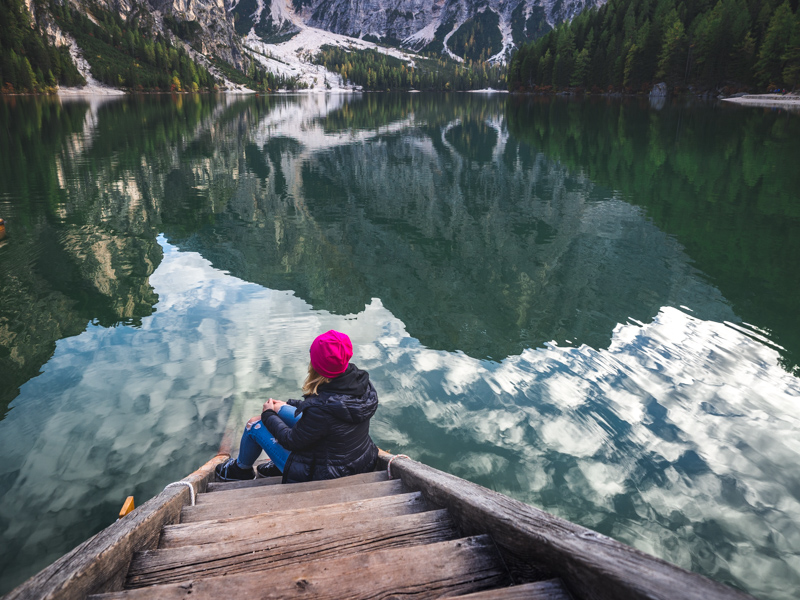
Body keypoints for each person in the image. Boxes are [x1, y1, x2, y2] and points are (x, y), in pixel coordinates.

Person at [215, 330, 379, 483]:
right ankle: (277, 464)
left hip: (323, 473)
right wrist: (286, 406)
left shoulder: (320, 411)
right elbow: (329, 410)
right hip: (356, 460)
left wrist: (268, 415)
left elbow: (291, 440)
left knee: (254, 425)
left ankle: (240, 470)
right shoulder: (362, 384)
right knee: (281, 408)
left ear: (316, 365)